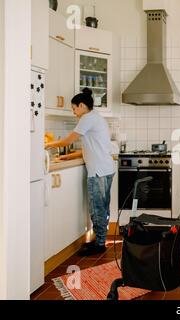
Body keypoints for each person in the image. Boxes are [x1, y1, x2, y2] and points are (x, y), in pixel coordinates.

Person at [45, 88, 115, 256]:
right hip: (106, 169)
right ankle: (100, 240)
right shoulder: (96, 118)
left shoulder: (87, 118)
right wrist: (68, 157)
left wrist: (47, 145)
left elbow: (69, 140)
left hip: (98, 171)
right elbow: (91, 148)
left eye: (74, 108)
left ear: (82, 105)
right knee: (102, 207)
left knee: (97, 208)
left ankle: (99, 244)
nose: (74, 112)